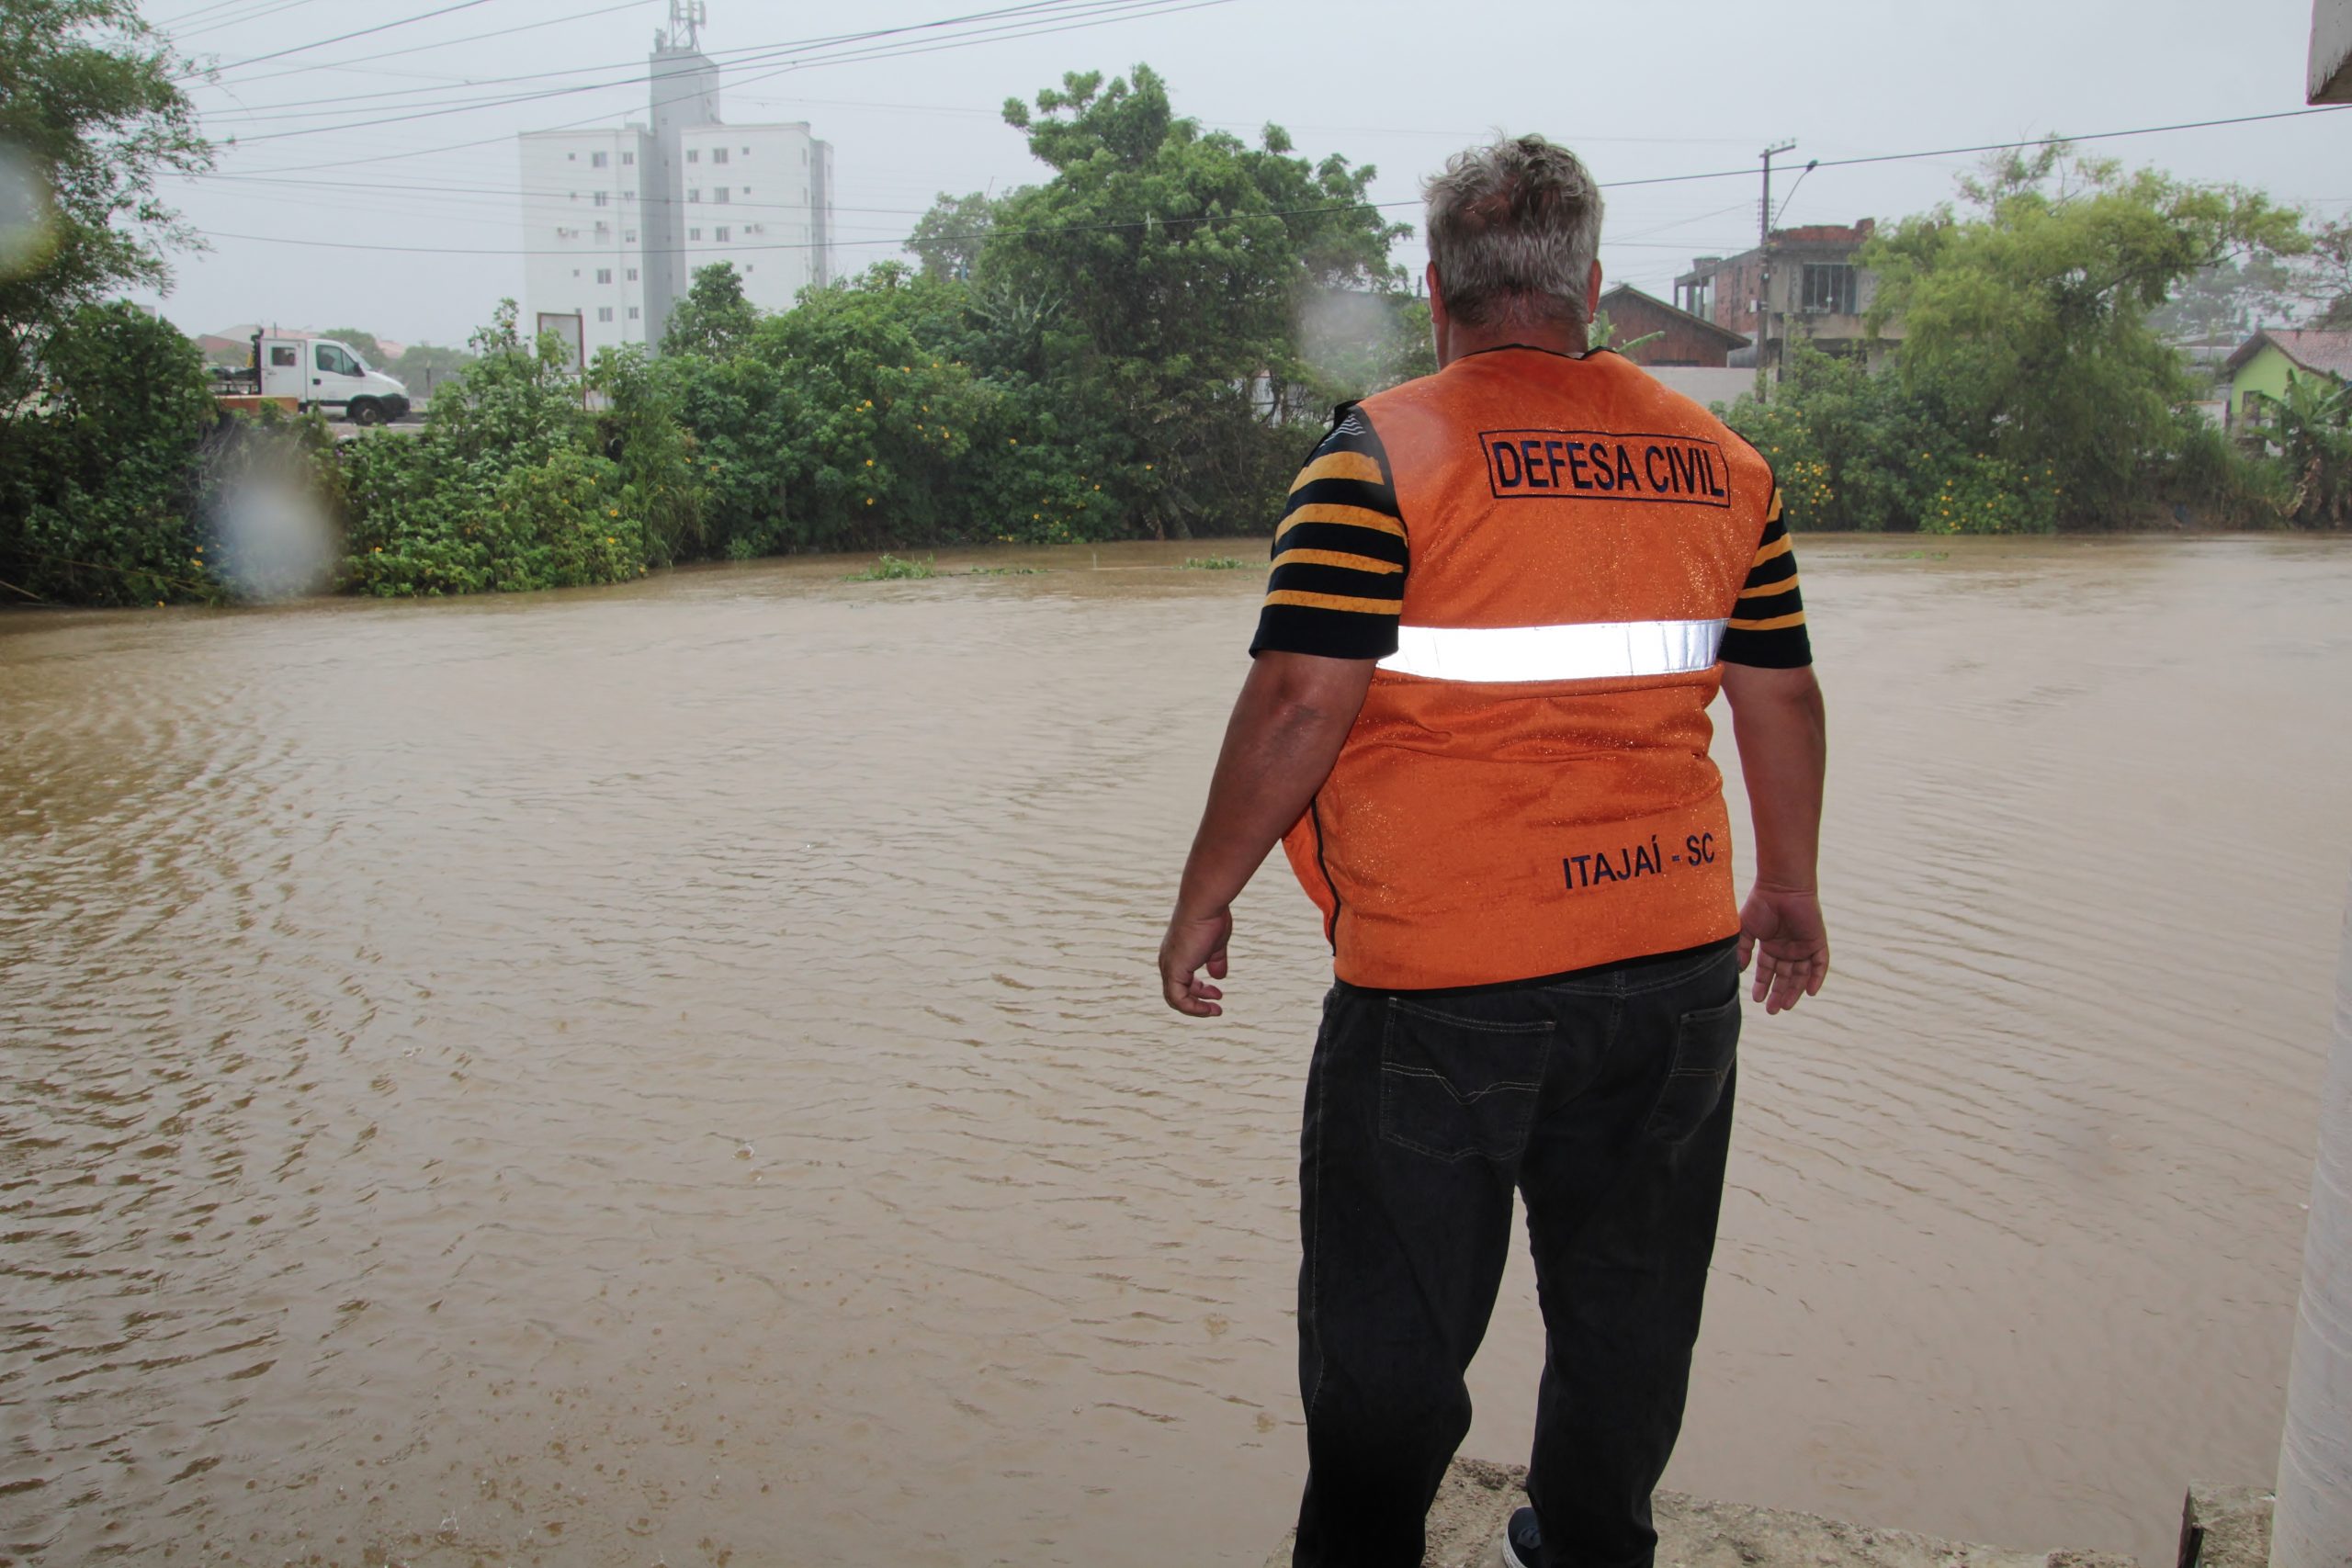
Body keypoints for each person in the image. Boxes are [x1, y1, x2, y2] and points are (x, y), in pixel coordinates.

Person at [1156, 134, 1830, 1568]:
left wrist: (1205, 895)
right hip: (1671, 969)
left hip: (1440, 988)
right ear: (1589, 285)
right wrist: (1788, 885)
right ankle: (1590, 1547)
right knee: (1632, 1316)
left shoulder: (1378, 456)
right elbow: (1779, 693)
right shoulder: (1726, 464)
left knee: (1386, 1354)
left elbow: (1299, 697)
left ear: (1435, 289)